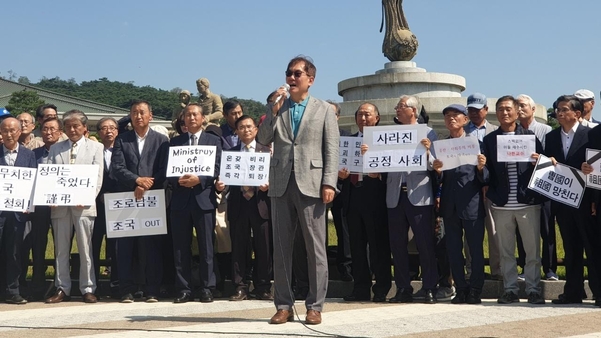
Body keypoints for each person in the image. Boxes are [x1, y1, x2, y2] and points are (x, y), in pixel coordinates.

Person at [257, 56, 339, 325]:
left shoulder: (324, 109)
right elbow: (262, 139)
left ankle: (315, 305)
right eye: (288, 73)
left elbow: (331, 148)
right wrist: (272, 109)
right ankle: (283, 305)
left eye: (297, 74)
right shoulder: (278, 108)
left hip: (312, 183)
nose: (291, 78)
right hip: (280, 183)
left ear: (310, 80)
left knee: (315, 248)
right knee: (281, 248)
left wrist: (329, 182)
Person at [371, 95, 438, 304]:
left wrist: (427, 152)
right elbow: (381, 163)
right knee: (397, 244)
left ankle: (429, 287)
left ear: (413, 110)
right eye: (397, 107)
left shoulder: (428, 133)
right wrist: (369, 160)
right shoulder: (389, 134)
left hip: (419, 194)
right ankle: (402, 288)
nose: (397, 110)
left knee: (425, 244)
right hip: (394, 195)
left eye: (401, 106)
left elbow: (436, 166)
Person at [482, 96, 544, 305]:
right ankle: (510, 290)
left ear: (518, 111)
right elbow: (487, 175)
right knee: (506, 251)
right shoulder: (490, 140)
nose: (505, 113)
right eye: (500, 109)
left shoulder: (530, 137)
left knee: (532, 251)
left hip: (528, 202)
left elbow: (544, 168)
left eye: (508, 109)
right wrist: (481, 166)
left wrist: (540, 161)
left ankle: (534, 290)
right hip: (501, 203)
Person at [110, 100, 169, 303]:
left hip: (152, 199)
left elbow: (164, 169)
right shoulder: (122, 140)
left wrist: (146, 184)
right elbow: (116, 167)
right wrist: (136, 180)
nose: (138, 116)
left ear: (150, 116)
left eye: (142, 112)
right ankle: (126, 289)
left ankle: (152, 288)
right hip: (127, 197)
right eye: (134, 112)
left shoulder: (162, 140)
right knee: (125, 246)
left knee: (151, 246)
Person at [45, 110, 103, 304]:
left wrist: (86, 196)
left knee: (86, 248)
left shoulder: (96, 148)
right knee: (61, 249)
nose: (72, 129)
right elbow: (51, 176)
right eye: (68, 126)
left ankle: (88, 287)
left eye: (76, 125)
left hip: (83, 206)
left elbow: (97, 178)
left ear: (85, 127)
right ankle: (62, 287)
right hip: (60, 206)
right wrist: (50, 196)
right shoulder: (55, 148)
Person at [433, 104, 488, 304]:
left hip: (472, 204)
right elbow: (439, 181)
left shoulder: (475, 144)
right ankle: (461, 289)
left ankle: (475, 289)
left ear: (465, 119)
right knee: (453, 250)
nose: (451, 119)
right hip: (449, 206)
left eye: (455, 115)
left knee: (475, 250)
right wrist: (437, 171)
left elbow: (486, 178)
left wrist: (482, 168)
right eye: (447, 116)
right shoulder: (441, 146)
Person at [215, 115, 273, 301]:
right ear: (237, 131)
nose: (246, 130)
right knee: (239, 248)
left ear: (256, 129)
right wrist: (219, 185)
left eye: (249, 127)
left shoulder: (266, 152)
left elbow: (276, 177)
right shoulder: (230, 153)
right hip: (238, 204)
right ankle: (240, 287)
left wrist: (269, 185)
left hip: (261, 204)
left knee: (263, 247)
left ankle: (263, 286)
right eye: (241, 127)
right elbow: (222, 180)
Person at [169, 103, 222, 303]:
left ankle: (207, 287)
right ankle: (184, 288)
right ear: (183, 119)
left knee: (206, 247)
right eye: (187, 115)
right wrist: (180, 180)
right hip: (180, 200)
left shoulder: (213, 140)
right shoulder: (175, 143)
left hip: (204, 199)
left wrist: (199, 179)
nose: (191, 118)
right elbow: (169, 171)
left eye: (195, 115)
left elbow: (217, 167)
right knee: (180, 247)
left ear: (202, 118)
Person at [339, 103, 391, 302]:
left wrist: (379, 172)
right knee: (357, 246)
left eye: (367, 115)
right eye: (360, 115)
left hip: (374, 196)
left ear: (376, 118)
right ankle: (360, 288)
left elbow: (393, 165)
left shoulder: (383, 140)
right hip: (353, 196)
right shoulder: (348, 142)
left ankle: (381, 288)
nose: (363, 118)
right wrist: (341, 175)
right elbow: (340, 166)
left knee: (378, 245)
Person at [554, 95, 601, 306]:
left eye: (565, 109)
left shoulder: (590, 134)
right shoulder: (551, 137)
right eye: (558, 110)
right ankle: (573, 291)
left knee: (591, 248)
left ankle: (598, 292)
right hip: (562, 200)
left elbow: (595, 166)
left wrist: (593, 199)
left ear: (577, 113)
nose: (560, 113)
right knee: (571, 248)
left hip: (585, 200)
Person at [515, 94, 557, 281]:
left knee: (547, 230)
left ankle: (550, 270)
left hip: (544, 186)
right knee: (522, 231)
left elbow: (555, 159)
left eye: (523, 105)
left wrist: (542, 160)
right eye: (517, 106)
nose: (520, 109)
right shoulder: (511, 133)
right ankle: (525, 268)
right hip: (521, 188)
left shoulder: (547, 130)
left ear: (533, 109)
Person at [22, 118, 63, 300]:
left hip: (61, 207)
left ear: (60, 131)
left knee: (61, 246)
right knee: (38, 245)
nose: (48, 132)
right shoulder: (34, 153)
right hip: (39, 207)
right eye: (45, 129)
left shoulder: (66, 152)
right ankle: (37, 282)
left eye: (52, 129)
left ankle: (60, 283)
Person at [464, 92, 501, 281]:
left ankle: (497, 270)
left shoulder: (496, 131)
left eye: (478, 110)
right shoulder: (460, 132)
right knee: (470, 234)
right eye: (471, 110)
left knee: (494, 231)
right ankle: (471, 269)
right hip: (469, 190)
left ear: (486, 110)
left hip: (491, 189)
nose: (474, 113)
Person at [0, 117, 37, 304]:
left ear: (19, 131)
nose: (8, 134)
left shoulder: (28, 155)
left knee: (15, 252)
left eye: (12, 130)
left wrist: (29, 203)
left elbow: (33, 182)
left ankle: (12, 290)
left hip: (18, 214)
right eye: (5, 130)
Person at [92, 117, 120, 297]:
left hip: (118, 204)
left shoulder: (124, 149)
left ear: (117, 130)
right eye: (104, 128)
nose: (108, 131)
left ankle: (117, 284)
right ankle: (92, 285)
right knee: (93, 245)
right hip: (96, 204)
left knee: (118, 247)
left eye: (112, 127)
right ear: (99, 132)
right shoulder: (93, 151)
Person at [326, 100, 353, 282]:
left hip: (341, 188)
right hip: (314, 189)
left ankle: (346, 269)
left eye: (332, 114)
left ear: (338, 117)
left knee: (344, 230)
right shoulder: (313, 137)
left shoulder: (347, 138)